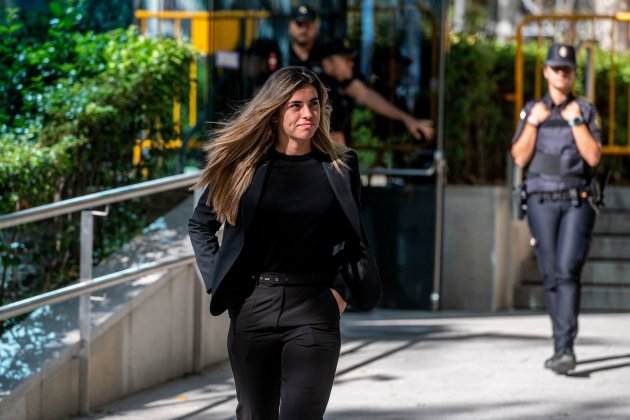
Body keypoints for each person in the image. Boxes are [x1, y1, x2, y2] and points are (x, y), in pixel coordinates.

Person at [188, 66, 380, 419]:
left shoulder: (340, 165)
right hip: (253, 304)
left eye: (314, 104)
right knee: (254, 414)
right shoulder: (243, 166)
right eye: (296, 105)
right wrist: (219, 279)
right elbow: (201, 225)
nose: (308, 114)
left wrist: (339, 292)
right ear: (275, 112)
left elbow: (355, 238)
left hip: (314, 306)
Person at [511, 43, 602, 375]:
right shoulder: (532, 110)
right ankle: (559, 345)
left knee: (567, 270)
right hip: (541, 201)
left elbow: (593, 157)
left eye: (567, 69)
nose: (561, 73)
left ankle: (565, 349)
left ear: (574, 74)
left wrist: (575, 121)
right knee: (550, 273)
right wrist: (533, 124)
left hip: (576, 201)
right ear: (546, 72)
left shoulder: (585, 110)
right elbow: (519, 157)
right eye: (556, 68)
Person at [288, 5, 434, 145]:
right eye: (299, 24)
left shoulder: (326, 61)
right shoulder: (282, 59)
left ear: (316, 26)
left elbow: (364, 94)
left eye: (308, 24)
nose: (304, 29)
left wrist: (407, 119)